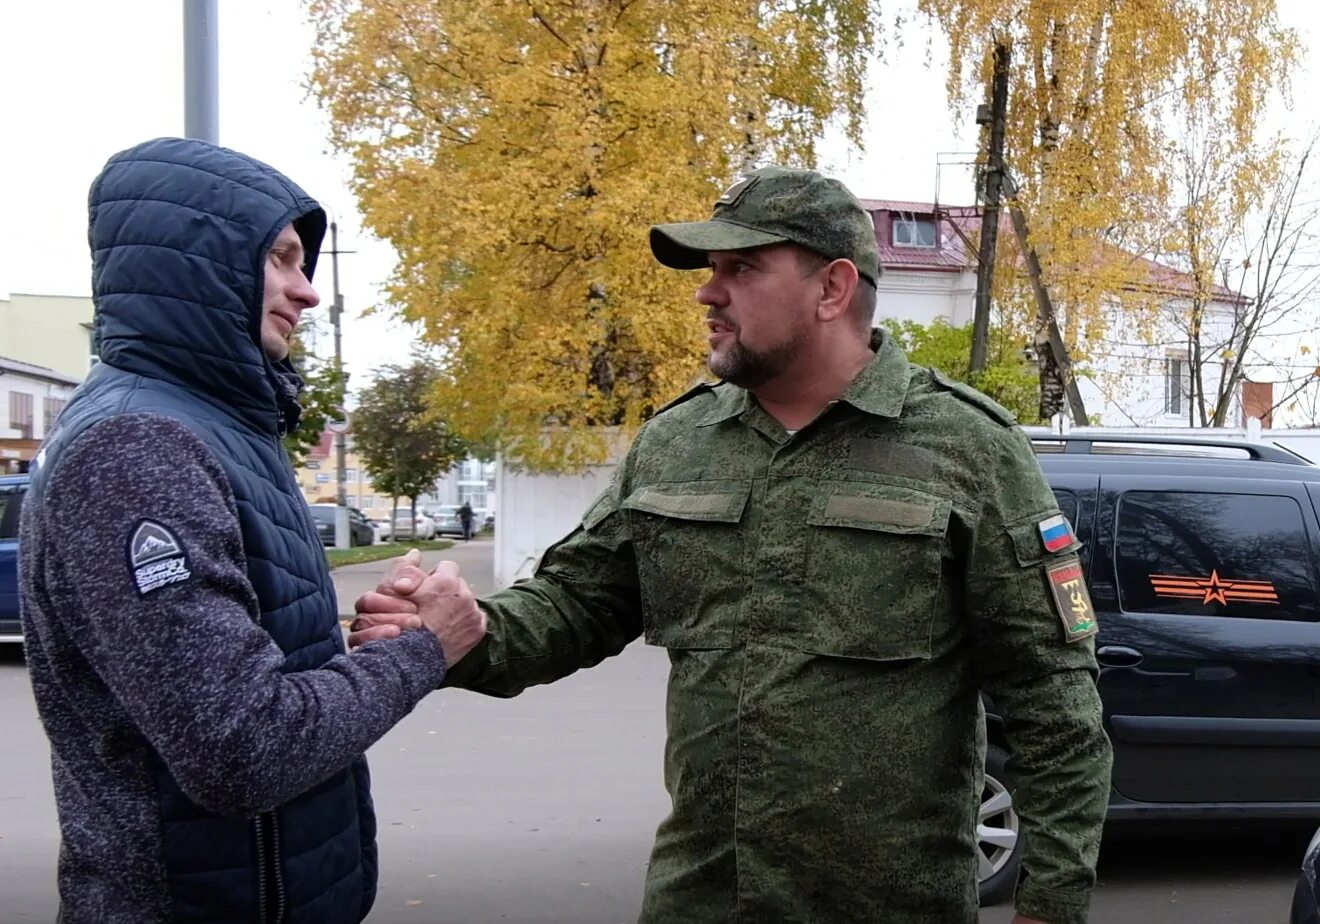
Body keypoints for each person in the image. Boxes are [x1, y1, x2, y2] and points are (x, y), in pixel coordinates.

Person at [353, 166, 1112, 924]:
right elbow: (575, 604)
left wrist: (1049, 904)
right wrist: (463, 633)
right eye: (712, 270)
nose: (707, 293)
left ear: (832, 289)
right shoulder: (679, 442)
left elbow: (1056, 702)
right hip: (703, 899)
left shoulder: (968, 449)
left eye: (741, 268)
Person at [18, 137, 485, 924]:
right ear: (197, 264)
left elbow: (229, 663)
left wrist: (359, 636)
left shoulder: (213, 431)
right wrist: (423, 649)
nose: (305, 292)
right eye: (281, 259)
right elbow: (241, 747)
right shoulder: (138, 448)